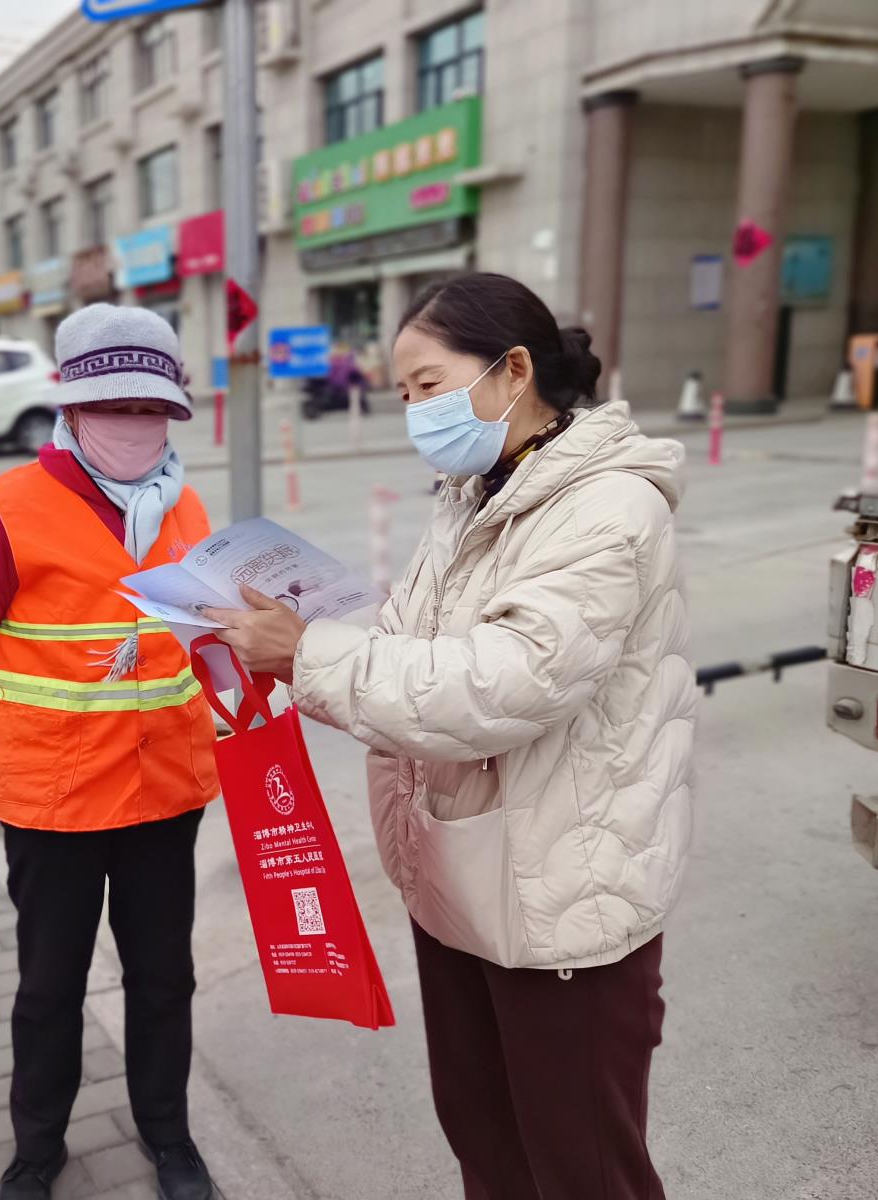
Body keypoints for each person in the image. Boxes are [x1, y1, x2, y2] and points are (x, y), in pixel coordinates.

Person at [205, 272, 695, 1199]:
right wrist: (297, 634)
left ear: (513, 371)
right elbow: (411, 642)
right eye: (402, 393)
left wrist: (308, 654)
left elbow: (506, 683)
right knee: (484, 1135)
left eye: (428, 384)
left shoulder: (607, 508)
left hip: (560, 900)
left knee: (583, 1168)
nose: (414, 411)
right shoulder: (472, 496)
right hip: (459, 873)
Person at [0, 304, 219, 1200]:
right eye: (115, 405)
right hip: (53, 800)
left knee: (164, 978)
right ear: (74, 408)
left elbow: (199, 632)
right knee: (50, 986)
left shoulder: (185, 504)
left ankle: (168, 1135)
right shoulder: (3, 510)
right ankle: (37, 1148)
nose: (135, 423)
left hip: (164, 789)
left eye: (150, 407)